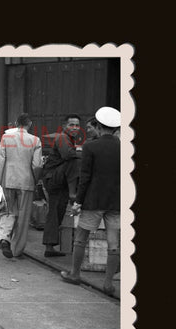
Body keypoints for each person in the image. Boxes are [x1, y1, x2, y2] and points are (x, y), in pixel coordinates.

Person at [60, 107, 121, 296]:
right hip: (115, 202)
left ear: (98, 126)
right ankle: (109, 284)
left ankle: (74, 274)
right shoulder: (122, 146)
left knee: (80, 239)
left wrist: (78, 201)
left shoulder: (90, 147)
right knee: (113, 243)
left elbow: (85, 177)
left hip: (93, 200)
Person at [0, 113, 42, 258]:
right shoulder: (35, 140)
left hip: (8, 180)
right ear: (30, 124)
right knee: (23, 216)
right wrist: (36, 179)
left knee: (7, 211)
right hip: (26, 182)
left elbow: (0, 162)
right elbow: (37, 165)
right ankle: (16, 249)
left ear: (15, 123)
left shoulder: (6, 138)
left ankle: (4, 238)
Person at [41, 114, 82, 257]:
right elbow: (68, 155)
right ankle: (72, 193)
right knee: (54, 210)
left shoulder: (70, 139)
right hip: (53, 178)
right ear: (64, 126)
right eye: (72, 125)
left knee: (57, 210)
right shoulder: (63, 137)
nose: (75, 128)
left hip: (60, 179)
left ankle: (49, 246)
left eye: (77, 125)